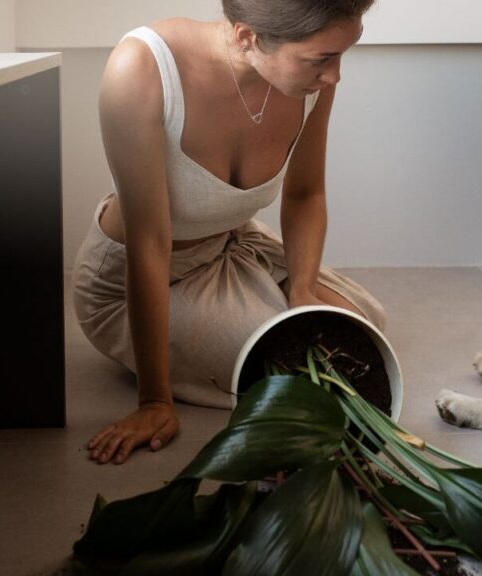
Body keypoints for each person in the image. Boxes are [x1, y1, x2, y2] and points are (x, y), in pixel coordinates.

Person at [71, 0, 386, 465]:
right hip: (136, 278)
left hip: (231, 246)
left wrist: (302, 288)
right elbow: (149, 244)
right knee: (287, 364)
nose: (335, 76)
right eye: (321, 59)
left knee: (365, 329)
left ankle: (268, 303)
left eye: (343, 54)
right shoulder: (141, 69)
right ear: (247, 37)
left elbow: (304, 195)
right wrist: (155, 401)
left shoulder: (311, 84)